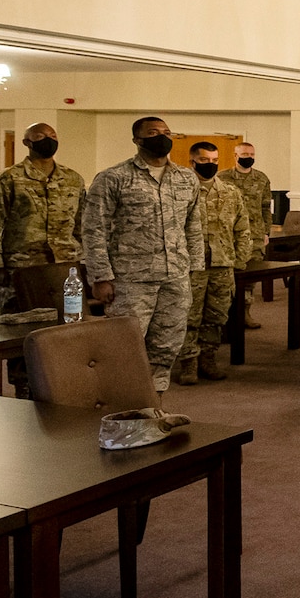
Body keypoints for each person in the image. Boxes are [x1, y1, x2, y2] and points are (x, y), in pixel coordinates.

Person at [82, 117, 204, 393]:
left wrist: (194, 269)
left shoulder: (185, 178)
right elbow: (93, 230)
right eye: (153, 133)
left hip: (175, 277)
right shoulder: (113, 178)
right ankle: (123, 409)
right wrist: (100, 277)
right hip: (130, 280)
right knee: (125, 348)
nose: (161, 137)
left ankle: (155, 407)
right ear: (137, 140)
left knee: (166, 347)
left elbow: (194, 226)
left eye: (166, 132)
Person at [177, 143, 259, 385]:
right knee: (189, 315)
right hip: (191, 266)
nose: (210, 164)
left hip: (223, 264)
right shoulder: (181, 191)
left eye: (214, 159)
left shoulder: (230, 192)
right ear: (192, 162)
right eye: (204, 159)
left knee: (217, 315)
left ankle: (208, 359)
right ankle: (188, 363)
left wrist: (240, 259)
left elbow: (242, 228)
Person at [0, 122, 84, 288]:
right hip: (23, 264)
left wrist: (85, 258)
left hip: (66, 263)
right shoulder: (8, 178)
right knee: (22, 313)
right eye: (40, 136)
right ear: (27, 143)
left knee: (68, 312)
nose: (48, 140)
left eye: (53, 136)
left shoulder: (73, 179)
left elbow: (81, 223)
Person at [221, 142, 273, 329]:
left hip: (255, 235)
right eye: (244, 153)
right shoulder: (223, 177)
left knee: (250, 279)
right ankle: (226, 318)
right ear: (235, 156)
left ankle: (245, 313)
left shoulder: (261, 178)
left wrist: (267, 231)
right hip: (229, 236)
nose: (248, 156)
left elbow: (266, 207)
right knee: (228, 277)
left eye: (251, 153)